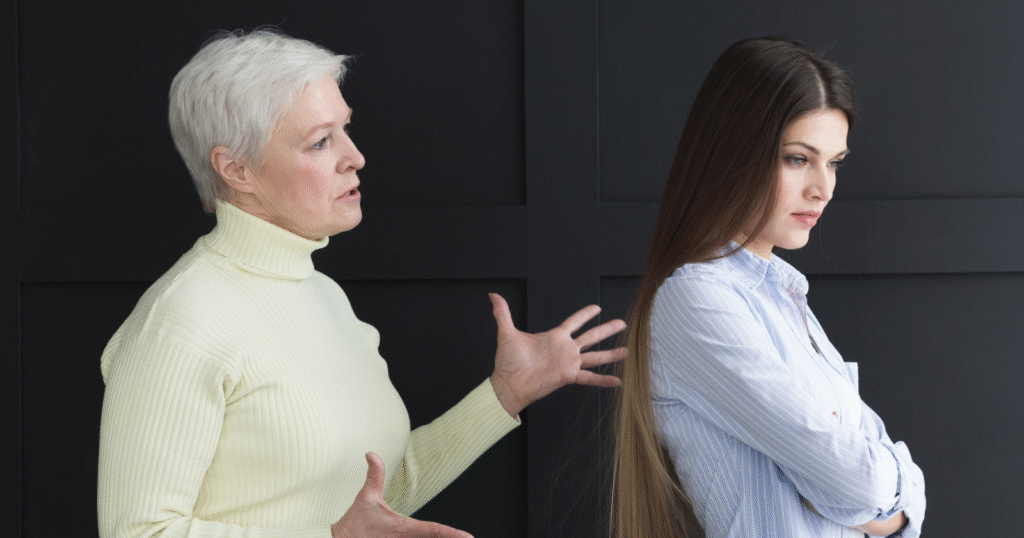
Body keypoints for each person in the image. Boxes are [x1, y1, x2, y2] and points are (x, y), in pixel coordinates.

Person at [97, 29, 627, 538]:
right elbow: (139, 532)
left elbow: (376, 501)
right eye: (320, 142)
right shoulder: (179, 320)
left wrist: (505, 394)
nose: (355, 157)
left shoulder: (324, 295)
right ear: (236, 170)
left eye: (345, 129)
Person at [610, 37, 925, 538]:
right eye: (798, 158)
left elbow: (870, 486)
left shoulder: (786, 300)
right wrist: (881, 497)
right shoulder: (696, 300)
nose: (823, 187)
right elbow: (861, 485)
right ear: (733, 153)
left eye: (835, 162)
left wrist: (876, 497)